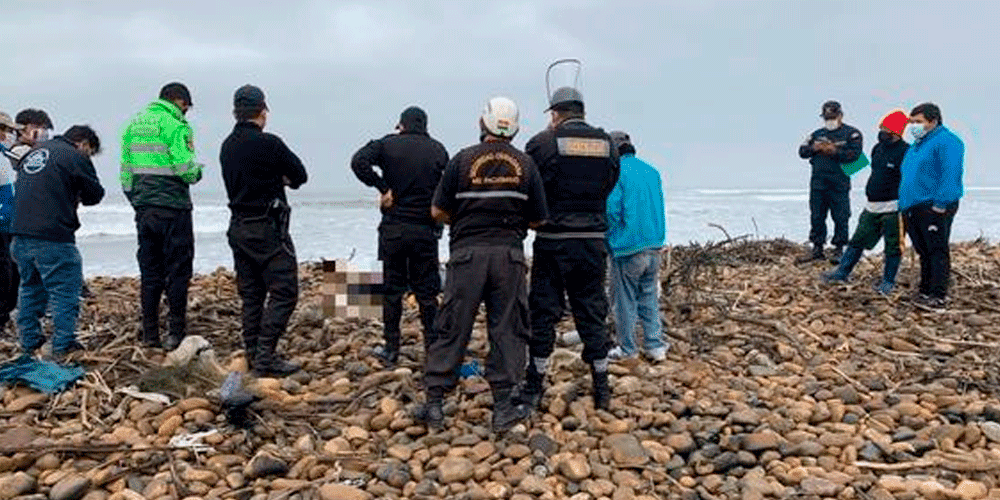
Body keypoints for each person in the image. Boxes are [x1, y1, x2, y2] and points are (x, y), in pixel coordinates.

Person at [413, 96, 547, 432]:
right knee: (508, 328)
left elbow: (437, 212)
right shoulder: (527, 165)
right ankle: (503, 407)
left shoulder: (461, 160)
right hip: (509, 257)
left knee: (453, 325)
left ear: (482, 122)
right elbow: (539, 219)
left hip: (467, 255)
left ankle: (434, 403)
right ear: (514, 128)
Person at [518, 85, 620, 412]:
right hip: (592, 239)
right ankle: (601, 387)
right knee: (592, 310)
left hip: (554, 240)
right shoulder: (607, 143)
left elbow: (528, 183)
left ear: (555, 114)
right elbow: (610, 182)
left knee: (544, 312)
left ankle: (535, 384)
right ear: (583, 111)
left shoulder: (543, 142)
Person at [220, 85, 308, 377]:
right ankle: (265, 355)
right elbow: (300, 175)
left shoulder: (227, 146)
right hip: (268, 228)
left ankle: (253, 352)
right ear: (263, 112)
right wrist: (280, 179)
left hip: (238, 226)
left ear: (236, 112)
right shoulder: (270, 143)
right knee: (285, 292)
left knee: (252, 294)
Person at [350, 106, 448, 366]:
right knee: (427, 293)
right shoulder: (438, 150)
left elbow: (357, 162)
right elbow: (446, 188)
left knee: (392, 291)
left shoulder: (387, 144)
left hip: (394, 229)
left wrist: (383, 187)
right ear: (425, 126)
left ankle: (392, 349)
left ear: (401, 125)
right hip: (424, 230)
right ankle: (433, 348)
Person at [11, 125, 104, 361]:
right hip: (53, 236)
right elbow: (95, 195)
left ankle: (29, 342)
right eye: (90, 152)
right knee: (65, 292)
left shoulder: (35, 152)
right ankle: (63, 345)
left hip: (20, 235)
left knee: (30, 288)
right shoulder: (74, 156)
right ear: (84, 144)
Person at [121, 82, 203, 350]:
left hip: (144, 210)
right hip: (174, 208)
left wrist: (138, 202)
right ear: (180, 101)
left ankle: (150, 334)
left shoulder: (133, 126)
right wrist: (197, 172)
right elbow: (185, 169)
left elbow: (126, 175)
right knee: (178, 270)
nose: (187, 112)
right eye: (187, 107)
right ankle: (176, 332)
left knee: (150, 271)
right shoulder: (176, 126)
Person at [822, 110, 909, 294]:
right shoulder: (877, 148)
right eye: (881, 128)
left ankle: (888, 281)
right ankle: (842, 272)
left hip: (893, 207)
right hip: (872, 205)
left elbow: (909, 180)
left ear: (896, 131)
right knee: (857, 240)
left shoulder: (906, 151)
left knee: (892, 246)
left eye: (885, 128)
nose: (881, 132)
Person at [604, 131, 667, 362]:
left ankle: (627, 349)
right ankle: (655, 346)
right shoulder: (652, 171)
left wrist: (610, 239)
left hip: (627, 246)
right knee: (649, 297)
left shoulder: (616, 172)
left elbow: (612, 210)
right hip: (654, 243)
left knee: (624, 301)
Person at [899, 103, 964, 309]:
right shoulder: (916, 145)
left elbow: (950, 173)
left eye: (918, 122)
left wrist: (941, 204)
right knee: (923, 250)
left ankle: (938, 295)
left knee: (937, 249)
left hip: (934, 205)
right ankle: (925, 290)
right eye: (912, 122)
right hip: (913, 205)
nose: (913, 126)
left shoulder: (947, 141)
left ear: (933, 121)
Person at [1, 109, 54, 332]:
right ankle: (3, 315)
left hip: (14, 221)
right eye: (6, 130)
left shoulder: (6, 154)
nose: (8, 135)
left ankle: (8, 313)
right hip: (5, 221)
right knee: (5, 270)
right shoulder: (10, 154)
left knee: (14, 270)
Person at [798, 101, 863, 263]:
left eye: (833, 117)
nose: (830, 121)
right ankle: (817, 248)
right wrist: (815, 148)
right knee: (817, 216)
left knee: (841, 216)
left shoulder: (852, 133)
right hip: (818, 183)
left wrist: (834, 151)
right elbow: (802, 151)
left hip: (839, 183)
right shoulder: (816, 134)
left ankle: (839, 249)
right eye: (827, 118)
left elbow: (855, 156)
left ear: (840, 115)